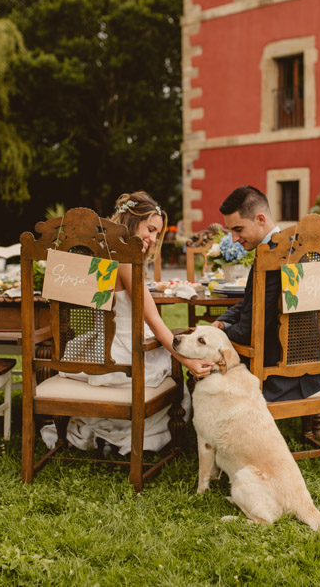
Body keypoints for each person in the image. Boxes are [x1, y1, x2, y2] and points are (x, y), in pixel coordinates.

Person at [42, 191, 214, 454]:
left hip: (101, 350)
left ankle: (108, 432)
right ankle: (132, 435)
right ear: (132, 221)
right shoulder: (126, 262)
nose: (154, 238)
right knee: (171, 364)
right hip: (125, 354)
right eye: (151, 229)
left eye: (157, 234)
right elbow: (155, 321)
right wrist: (187, 361)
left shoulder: (100, 255)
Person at [210, 186, 320, 401]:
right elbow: (253, 301)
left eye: (238, 229)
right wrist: (224, 322)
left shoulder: (275, 257)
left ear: (260, 219)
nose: (234, 238)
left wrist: (214, 335)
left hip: (281, 375)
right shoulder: (290, 246)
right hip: (309, 368)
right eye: (230, 232)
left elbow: (248, 331)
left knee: (202, 364)